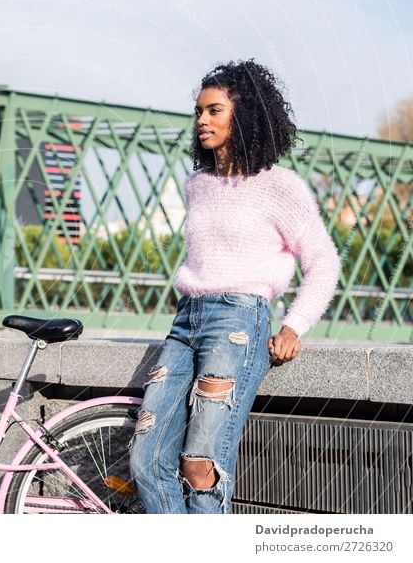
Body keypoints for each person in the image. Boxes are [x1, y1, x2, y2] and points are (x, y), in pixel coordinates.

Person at [128, 59, 341, 514]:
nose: (202, 120)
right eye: (199, 111)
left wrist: (293, 327)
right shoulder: (197, 184)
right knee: (146, 458)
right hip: (187, 320)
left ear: (243, 116)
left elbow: (323, 262)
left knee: (201, 463)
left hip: (239, 322)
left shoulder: (279, 186)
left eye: (215, 111)